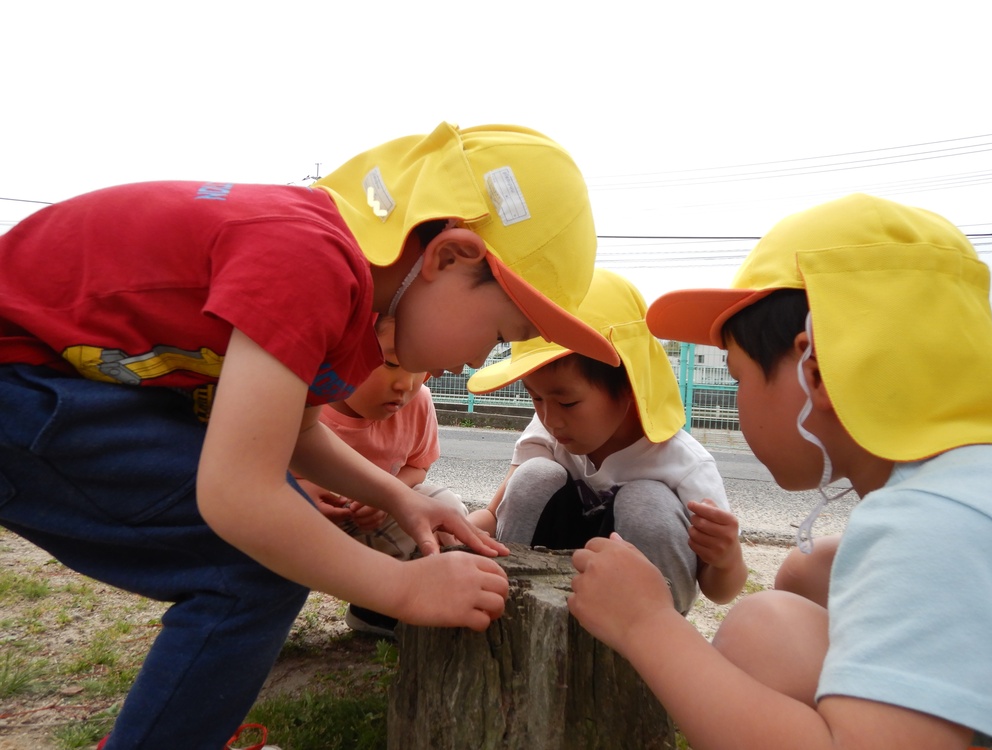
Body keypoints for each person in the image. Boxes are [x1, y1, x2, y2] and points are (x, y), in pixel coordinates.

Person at [0, 122, 620, 750]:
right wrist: (402, 587)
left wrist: (404, 497)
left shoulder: (353, 303)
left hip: (49, 383)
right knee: (248, 561)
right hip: (19, 377)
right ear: (450, 257)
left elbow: (292, 434)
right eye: (500, 332)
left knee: (259, 556)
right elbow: (239, 493)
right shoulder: (310, 258)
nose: (477, 358)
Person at [567, 194, 992, 749]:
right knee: (806, 572)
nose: (737, 395)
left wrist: (647, 624)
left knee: (759, 633)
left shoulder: (926, 526)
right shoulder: (966, 491)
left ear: (814, 373)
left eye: (739, 375)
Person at [466, 269, 747, 614]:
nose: (551, 419)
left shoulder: (683, 466)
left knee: (647, 502)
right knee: (534, 474)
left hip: (637, 606)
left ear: (629, 386)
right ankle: (510, 604)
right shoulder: (549, 427)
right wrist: (457, 534)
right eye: (535, 398)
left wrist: (727, 558)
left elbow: (721, 591)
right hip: (547, 578)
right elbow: (495, 514)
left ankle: (647, 643)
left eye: (567, 402)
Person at [296, 314, 467, 637]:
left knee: (447, 506)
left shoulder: (418, 402)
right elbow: (255, 469)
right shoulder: (307, 403)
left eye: (420, 367)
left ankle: (377, 610)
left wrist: (388, 495)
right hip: (301, 524)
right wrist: (298, 491)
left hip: (372, 520)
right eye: (390, 363)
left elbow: (418, 465)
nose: (406, 383)